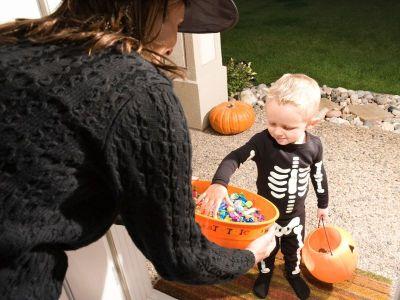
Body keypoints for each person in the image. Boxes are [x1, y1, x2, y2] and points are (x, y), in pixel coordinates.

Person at [0, 0, 277, 299]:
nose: (173, 42)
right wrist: (249, 255)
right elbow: (182, 258)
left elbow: (54, 172)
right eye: (175, 24)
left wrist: (155, 196)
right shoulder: (141, 91)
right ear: (151, 10)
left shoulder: (12, 42)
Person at [197, 73, 330, 299]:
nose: (278, 131)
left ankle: (293, 273)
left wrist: (323, 204)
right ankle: (265, 274)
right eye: (272, 123)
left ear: (311, 123)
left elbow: (318, 174)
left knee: (294, 247)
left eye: (288, 127)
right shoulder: (263, 142)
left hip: (297, 214)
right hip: (267, 214)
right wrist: (220, 183)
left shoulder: (314, 146)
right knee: (266, 249)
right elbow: (234, 157)